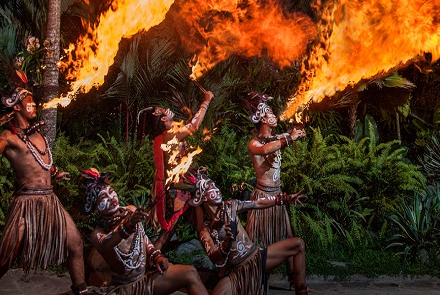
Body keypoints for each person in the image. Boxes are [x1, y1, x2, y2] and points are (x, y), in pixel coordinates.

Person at [0, 86, 87, 295]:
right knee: (2, 262)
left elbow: (41, 162)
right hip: (26, 205)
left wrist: (53, 173)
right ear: (16, 107)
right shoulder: (8, 137)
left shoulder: (38, 135)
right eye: (29, 102)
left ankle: (81, 291)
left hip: (50, 201)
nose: (34, 105)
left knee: (76, 243)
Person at [82, 168, 208, 295]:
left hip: (145, 280)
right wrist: (128, 225)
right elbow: (106, 244)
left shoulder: (131, 210)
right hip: (124, 289)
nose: (111, 198)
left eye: (111, 191)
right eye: (104, 197)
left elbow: (143, 238)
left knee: (190, 273)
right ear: (96, 207)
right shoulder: (97, 234)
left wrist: (156, 256)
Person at [184, 167, 309, 295]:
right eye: (212, 189)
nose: (218, 190)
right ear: (203, 197)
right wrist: (226, 244)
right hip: (236, 272)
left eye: (216, 187)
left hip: (256, 258)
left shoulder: (231, 206)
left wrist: (285, 199)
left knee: (298, 244)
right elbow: (215, 259)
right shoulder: (205, 230)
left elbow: (257, 203)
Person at [245, 92, 306, 289]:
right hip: (262, 197)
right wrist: (289, 139)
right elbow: (265, 150)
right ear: (263, 118)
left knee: (287, 235)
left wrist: (299, 125)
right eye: (270, 112)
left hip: (279, 196)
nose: (274, 115)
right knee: (255, 238)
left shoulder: (278, 138)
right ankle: (252, 276)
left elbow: (287, 136)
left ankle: (294, 280)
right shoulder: (254, 143)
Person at [147, 90, 214, 232]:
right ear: (164, 119)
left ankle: (205, 230)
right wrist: (206, 102)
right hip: (176, 186)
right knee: (205, 189)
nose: (167, 109)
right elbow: (194, 126)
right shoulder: (169, 136)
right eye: (164, 110)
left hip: (183, 179)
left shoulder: (171, 134)